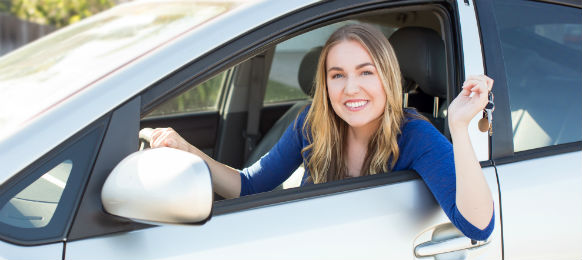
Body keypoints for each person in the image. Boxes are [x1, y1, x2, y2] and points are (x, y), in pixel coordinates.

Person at [150, 24, 494, 240]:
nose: (351, 89)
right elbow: (250, 186)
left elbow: (477, 226)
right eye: (338, 75)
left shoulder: (416, 135)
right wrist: (187, 151)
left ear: (387, 78)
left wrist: (459, 128)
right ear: (325, 83)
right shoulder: (310, 123)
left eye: (365, 72)